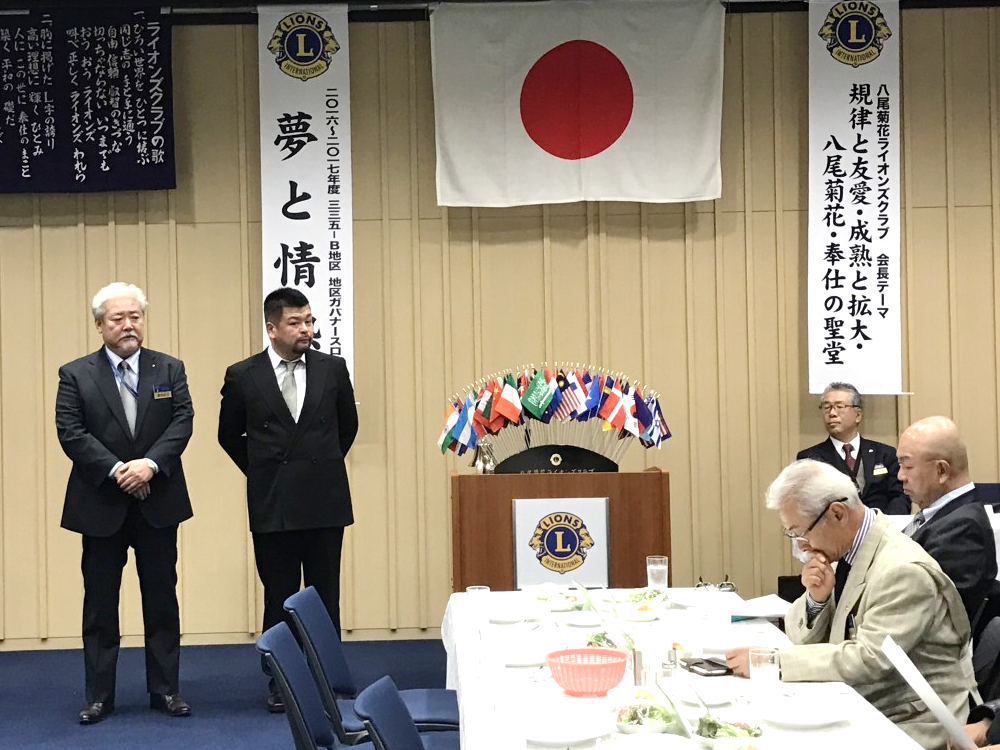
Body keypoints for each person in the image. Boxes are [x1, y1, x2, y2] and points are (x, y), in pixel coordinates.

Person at [726, 459, 975, 749]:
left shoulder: (902, 570)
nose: (801, 545)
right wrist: (816, 599)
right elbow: (799, 637)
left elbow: (869, 659)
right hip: (867, 700)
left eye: (800, 532)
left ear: (837, 513)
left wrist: (772, 662)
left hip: (913, 722)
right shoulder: (845, 552)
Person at [55, 282, 194, 724]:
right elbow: (71, 432)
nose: (129, 325)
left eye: (136, 316)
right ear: (100, 325)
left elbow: (182, 421)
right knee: (100, 604)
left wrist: (149, 465)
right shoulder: (75, 374)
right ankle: (99, 696)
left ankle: (166, 690)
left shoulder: (168, 368)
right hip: (101, 504)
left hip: (158, 501)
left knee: (162, 599)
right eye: (118, 318)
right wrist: (119, 470)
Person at [218, 287, 359, 712]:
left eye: (309, 321)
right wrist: (265, 472)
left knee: (324, 594)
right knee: (278, 594)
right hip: (273, 503)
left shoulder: (333, 369)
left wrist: (320, 465)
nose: (305, 329)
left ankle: (327, 676)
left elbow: (347, 427)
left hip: (324, 500)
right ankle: (280, 680)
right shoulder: (244, 375)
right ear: (272, 328)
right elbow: (228, 435)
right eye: (295, 323)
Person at [897, 416, 999, 629]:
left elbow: (924, 614)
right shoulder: (941, 516)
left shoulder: (963, 529)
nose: (900, 476)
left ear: (942, 471)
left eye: (907, 466)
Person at [797, 382, 910, 515]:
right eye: (827, 407)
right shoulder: (810, 459)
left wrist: (883, 523)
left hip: (882, 523)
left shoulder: (885, 454)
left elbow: (900, 496)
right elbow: (808, 505)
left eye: (839, 406)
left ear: (858, 415)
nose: (832, 413)